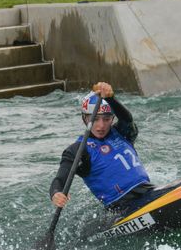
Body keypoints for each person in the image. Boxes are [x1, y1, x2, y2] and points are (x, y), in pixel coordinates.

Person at [50, 82, 157, 213]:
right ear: (85, 119)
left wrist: (110, 98)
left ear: (112, 119)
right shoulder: (78, 150)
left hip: (149, 192)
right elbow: (60, 180)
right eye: (95, 119)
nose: (101, 126)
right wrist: (56, 194)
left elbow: (127, 118)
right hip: (121, 207)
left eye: (106, 119)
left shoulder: (123, 132)